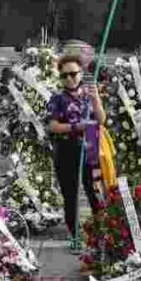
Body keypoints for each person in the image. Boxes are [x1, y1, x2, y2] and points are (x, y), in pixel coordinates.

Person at [47, 54, 106, 251]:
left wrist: (96, 98)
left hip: (90, 146)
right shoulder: (57, 98)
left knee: (94, 191)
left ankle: (100, 233)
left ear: (81, 73)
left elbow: (101, 119)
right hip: (66, 149)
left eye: (73, 74)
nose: (69, 78)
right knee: (70, 195)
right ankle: (75, 236)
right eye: (64, 76)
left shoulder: (89, 94)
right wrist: (76, 126)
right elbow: (53, 126)